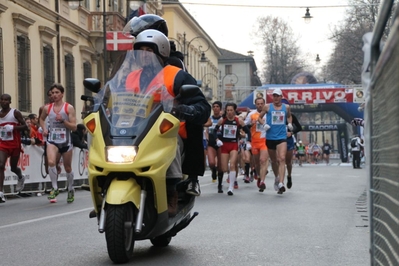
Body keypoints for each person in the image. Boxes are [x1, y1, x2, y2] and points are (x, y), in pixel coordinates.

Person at [125, 29, 210, 214]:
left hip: (166, 132)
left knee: (169, 145)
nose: (145, 55)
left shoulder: (176, 75)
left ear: (161, 52)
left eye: (149, 50)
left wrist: (187, 109)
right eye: (141, 50)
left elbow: (201, 104)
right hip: (133, 132)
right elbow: (115, 99)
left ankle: (171, 193)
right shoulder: (130, 77)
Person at [39, 83, 77, 203]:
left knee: (67, 167)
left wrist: (63, 121)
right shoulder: (47, 108)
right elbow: (41, 118)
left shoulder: (68, 108)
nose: (54, 95)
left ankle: (70, 189)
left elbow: (74, 127)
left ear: (62, 94)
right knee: (51, 162)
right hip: (52, 140)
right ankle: (55, 188)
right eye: (53, 93)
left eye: (57, 93)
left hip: (66, 141)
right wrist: (44, 128)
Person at [258, 88, 293, 195]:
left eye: (278, 96)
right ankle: (277, 177)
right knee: (273, 161)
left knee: (282, 158)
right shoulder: (267, 107)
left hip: (282, 137)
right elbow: (259, 117)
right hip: (270, 137)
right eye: (274, 96)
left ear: (281, 97)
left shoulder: (286, 107)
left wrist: (290, 123)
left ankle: (281, 183)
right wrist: (264, 124)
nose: (276, 98)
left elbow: (289, 116)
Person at [213, 102, 251, 195]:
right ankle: (230, 177)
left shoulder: (238, 121)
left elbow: (248, 132)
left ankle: (231, 187)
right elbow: (214, 131)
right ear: (226, 110)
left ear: (234, 111)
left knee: (233, 164)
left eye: (231, 110)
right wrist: (217, 139)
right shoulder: (222, 120)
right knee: (224, 168)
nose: (229, 112)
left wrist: (248, 140)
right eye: (228, 110)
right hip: (224, 145)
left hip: (234, 144)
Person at [0, 94, 27, 203]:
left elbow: (26, 126)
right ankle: (0, 193)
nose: (3, 101)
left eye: (6, 100)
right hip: (2, 143)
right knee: (0, 165)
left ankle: (20, 176)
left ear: (10, 102)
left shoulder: (15, 113)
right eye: (1, 99)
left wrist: (13, 127)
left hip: (14, 144)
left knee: (13, 168)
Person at [245, 97, 269, 192]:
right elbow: (244, 125)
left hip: (265, 140)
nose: (260, 105)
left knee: (263, 160)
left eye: (261, 103)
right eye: (258, 103)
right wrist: (251, 125)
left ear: (264, 104)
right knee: (257, 163)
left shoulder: (268, 113)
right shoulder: (251, 114)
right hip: (254, 141)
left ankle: (262, 181)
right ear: (255, 105)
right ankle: (259, 176)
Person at [281, 99, 302, 189]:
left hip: (289, 140)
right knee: (280, 160)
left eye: (286, 107)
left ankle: (289, 176)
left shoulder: (292, 116)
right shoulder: (277, 115)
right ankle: (280, 182)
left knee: (288, 162)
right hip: (278, 139)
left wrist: (291, 133)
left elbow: (299, 127)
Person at [204, 101, 223, 184]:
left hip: (221, 143)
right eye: (214, 106)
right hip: (211, 143)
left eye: (217, 106)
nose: (215, 108)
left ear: (220, 108)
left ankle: (219, 183)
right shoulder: (209, 119)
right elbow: (206, 131)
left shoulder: (223, 119)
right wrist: (207, 139)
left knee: (220, 165)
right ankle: (213, 171)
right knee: (211, 163)